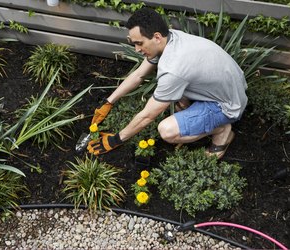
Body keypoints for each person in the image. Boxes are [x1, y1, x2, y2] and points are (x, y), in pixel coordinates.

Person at [87, 7, 248, 159]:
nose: (136, 49)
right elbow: (139, 75)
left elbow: (147, 116)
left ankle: (222, 131)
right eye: (134, 43)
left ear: (156, 37)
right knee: (176, 99)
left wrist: (117, 139)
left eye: (139, 43)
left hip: (226, 105)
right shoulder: (169, 38)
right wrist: (109, 101)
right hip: (227, 87)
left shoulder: (174, 68)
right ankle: (203, 116)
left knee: (167, 131)